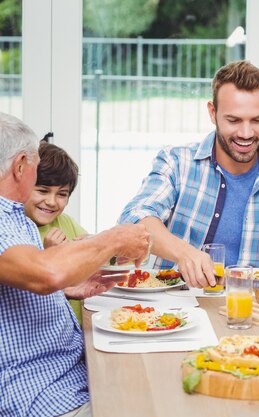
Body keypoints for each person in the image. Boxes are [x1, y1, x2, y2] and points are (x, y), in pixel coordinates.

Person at [0, 112, 150, 417]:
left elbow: (32, 278)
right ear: (20, 166)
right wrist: (115, 238)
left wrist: (65, 290)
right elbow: (46, 272)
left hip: (72, 373)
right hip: (43, 394)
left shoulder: (16, 218)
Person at [119, 60, 259, 286]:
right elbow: (135, 218)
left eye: (257, 120)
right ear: (213, 112)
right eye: (233, 120)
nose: (246, 133)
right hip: (178, 310)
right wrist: (184, 252)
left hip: (251, 313)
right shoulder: (177, 163)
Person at [24, 141, 88, 322]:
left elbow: (94, 254)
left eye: (62, 194)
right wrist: (50, 256)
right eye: (43, 191)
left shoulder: (65, 221)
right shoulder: (15, 229)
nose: (52, 202)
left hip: (74, 332)